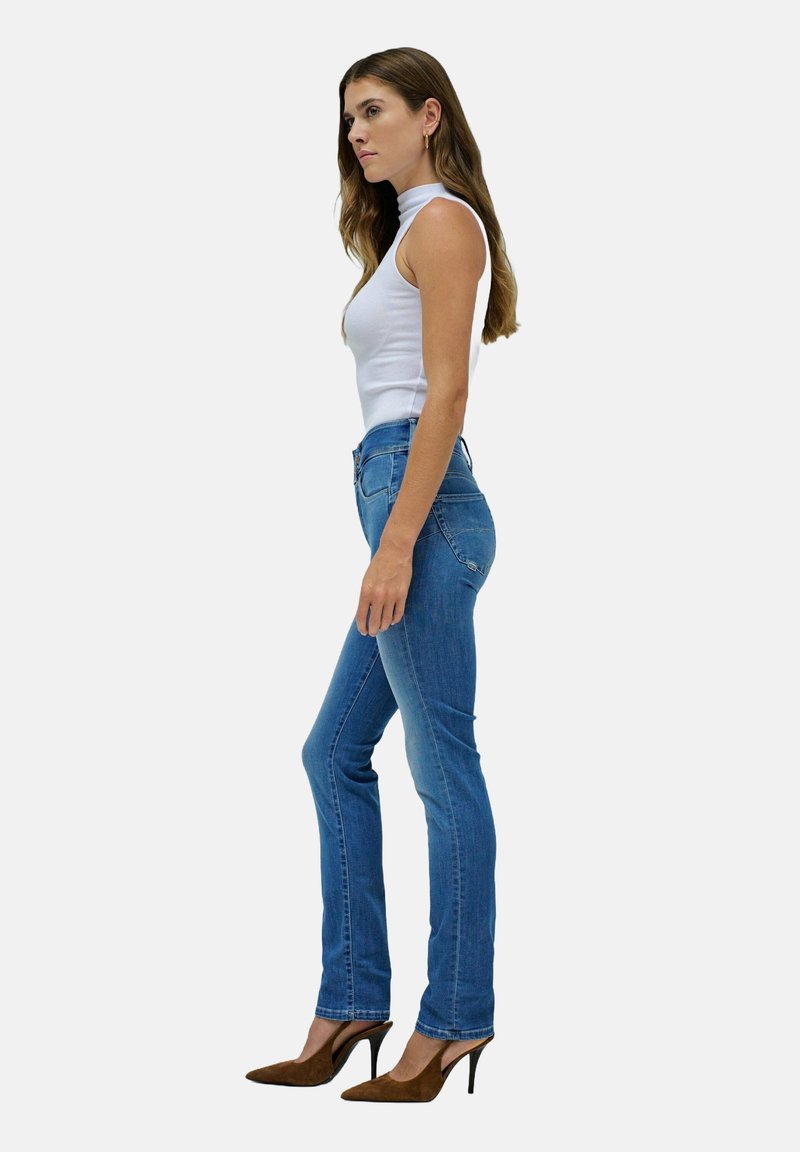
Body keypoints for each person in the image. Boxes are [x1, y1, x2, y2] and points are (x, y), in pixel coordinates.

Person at [245, 46, 518, 1103]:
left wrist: (396, 542)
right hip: (400, 493)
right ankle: (353, 999)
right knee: (331, 752)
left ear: (429, 116)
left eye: (373, 111)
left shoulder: (445, 223)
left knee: (443, 769)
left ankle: (452, 1021)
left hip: (422, 504)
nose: (355, 133)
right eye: (348, 117)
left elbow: (444, 396)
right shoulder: (408, 227)